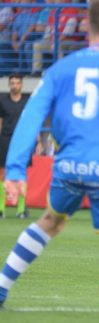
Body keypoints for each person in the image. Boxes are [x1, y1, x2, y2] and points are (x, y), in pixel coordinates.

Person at [0, 0, 99, 319]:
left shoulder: (60, 68)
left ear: (87, 25)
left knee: (50, 222)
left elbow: (30, 115)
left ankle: (1, 286)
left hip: (67, 167)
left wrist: (14, 170)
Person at [0, 74, 31, 219]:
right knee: (2, 174)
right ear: (9, 85)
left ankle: (21, 210)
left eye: (17, 83)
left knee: (22, 174)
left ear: (21, 85)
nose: (15, 86)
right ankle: (1, 209)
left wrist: (36, 141)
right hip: (5, 139)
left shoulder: (27, 101)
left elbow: (31, 122)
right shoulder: (2, 100)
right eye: (12, 83)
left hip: (22, 140)